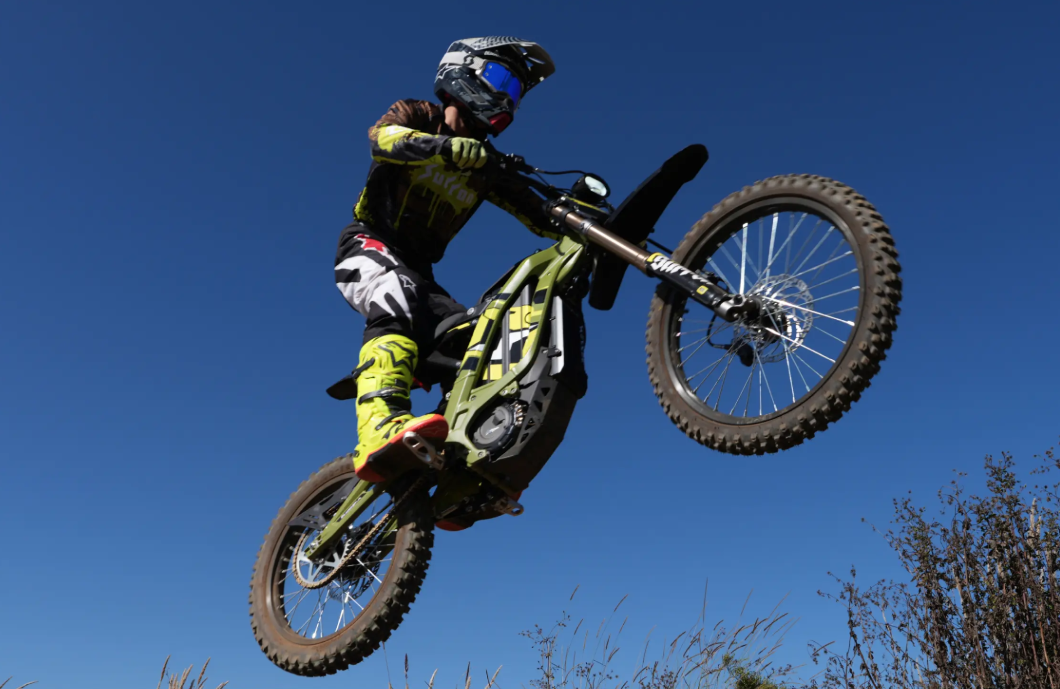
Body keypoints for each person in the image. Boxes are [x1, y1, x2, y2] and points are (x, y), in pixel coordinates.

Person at [334, 37, 560, 483]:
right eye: (500, 80)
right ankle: (378, 426)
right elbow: (383, 138)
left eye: (516, 92)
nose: (506, 98)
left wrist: (580, 216)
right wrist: (443, 148)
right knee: (395, 296)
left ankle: (460, 456)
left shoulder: (485, 165)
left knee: (479, 340)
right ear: (463, 72)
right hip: (368, 244)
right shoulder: (420, 115)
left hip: (423, 273)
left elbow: (535, 213)